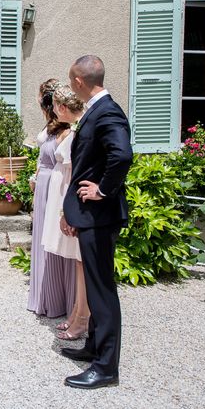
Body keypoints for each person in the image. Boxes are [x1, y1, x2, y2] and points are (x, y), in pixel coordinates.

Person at [60, 55, 133, 389]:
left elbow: (122, 155)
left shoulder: (108, 111)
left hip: (99, 217)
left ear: (78, 81)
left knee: (102, 290)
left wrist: (103, 189)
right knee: (94, 285)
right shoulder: (96, 109)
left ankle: (106, 368)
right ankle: (93, 347)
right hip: (90, 216)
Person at [41, 84, 90, 340]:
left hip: (72, 200)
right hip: (65, 197)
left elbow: (75, 174)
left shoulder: (77, 130)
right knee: (78, 261)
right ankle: (76, 312)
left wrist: (66, 210)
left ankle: (83, 316)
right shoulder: (73, 129)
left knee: (81, 260)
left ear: (61, 108)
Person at [27, 79, 75, 318]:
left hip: (53, 186)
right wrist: (35, 177)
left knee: (52, 240)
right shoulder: (50, 125)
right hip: (43, 182)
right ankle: (43, 295)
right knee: (43, 238)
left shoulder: (64, 129)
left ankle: (55, 297)